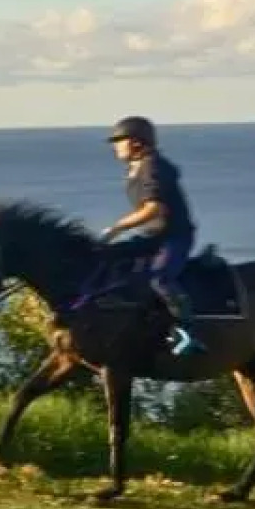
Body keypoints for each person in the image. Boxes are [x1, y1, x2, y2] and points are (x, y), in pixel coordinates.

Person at [98, 115, 204, 357]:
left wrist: (117, 228)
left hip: (174, 238)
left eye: (119, 140)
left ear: (136, 143)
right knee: (108, 259)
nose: (115, 146)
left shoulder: (153, 167)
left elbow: (154, 208)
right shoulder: (137, 169)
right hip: (154, 237)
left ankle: (187, 332)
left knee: (160, 278)